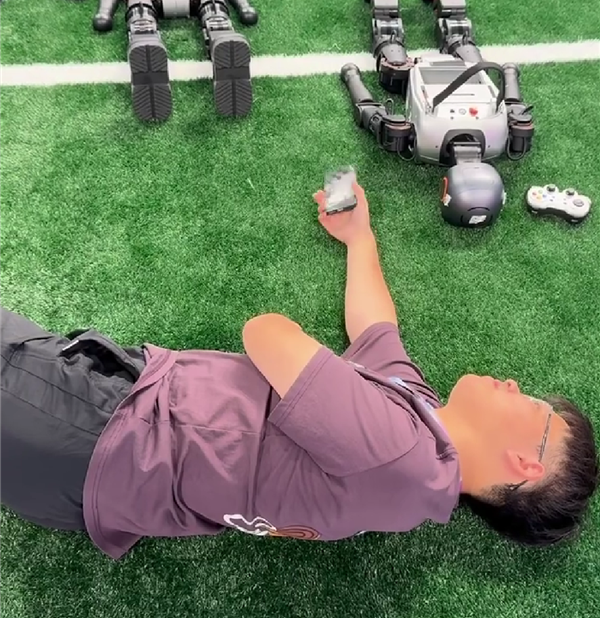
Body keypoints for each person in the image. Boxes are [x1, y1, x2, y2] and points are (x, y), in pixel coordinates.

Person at [1, 182, 597, 560]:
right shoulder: (423, 465)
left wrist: (309, 357)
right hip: (98, 453)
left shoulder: (400, 448)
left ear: (525, 464)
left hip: (99, 430)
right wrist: (359, 239)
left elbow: (265, 334)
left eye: (536, 408)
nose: (516, 387)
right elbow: (377, 331)